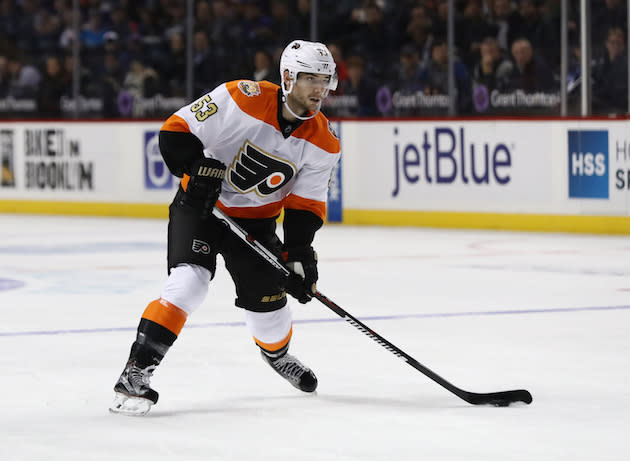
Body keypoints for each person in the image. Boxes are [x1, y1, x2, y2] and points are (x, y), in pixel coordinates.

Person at [109, 39, 340, 416]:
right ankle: (135, 373)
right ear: (286, 77)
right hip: (201, 210)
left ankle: (277, 355)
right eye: (310, 78)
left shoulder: (325, 142)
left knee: (270, 312)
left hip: (257, 224)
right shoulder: (240, 98)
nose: (319, 89)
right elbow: (175, 131)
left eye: (325, 80)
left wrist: (298, 254)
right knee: (189, 283)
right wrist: (196, 167)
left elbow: (305, 205)